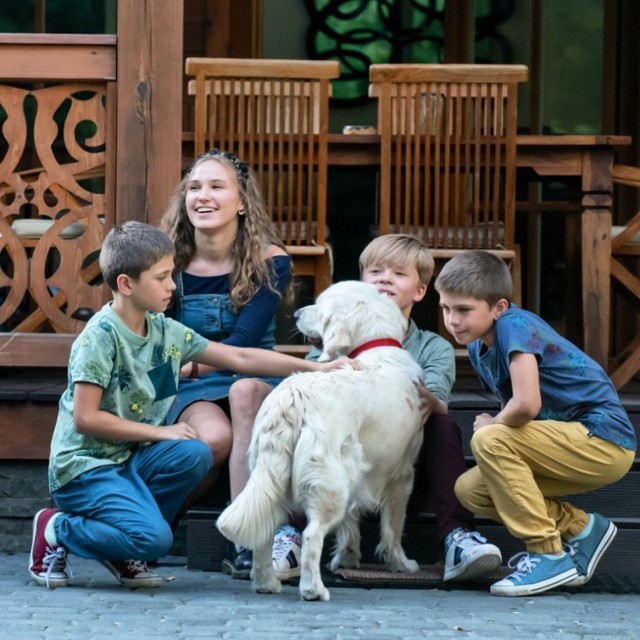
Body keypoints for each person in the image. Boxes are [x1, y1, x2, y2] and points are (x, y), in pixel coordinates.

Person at [28, 221, 350, 590]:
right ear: (126, 285)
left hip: (127, 461)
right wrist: (159, 431)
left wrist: (317, 367)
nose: (171, 286)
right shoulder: (99, 339)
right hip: (85, 467)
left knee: (194, 453)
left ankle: (123, 545)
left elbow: (242, 357)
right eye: (162, 277)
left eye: (172, 276)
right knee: (155, 541)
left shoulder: (164, 330)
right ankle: (57, 527)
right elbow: (85, 419)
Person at [271, 234, 502, 584]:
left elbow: (433, 401)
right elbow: (314, 395)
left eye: (398, 273)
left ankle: (458, 538)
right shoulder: (337, 335)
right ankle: (289, 535)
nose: (384, 279)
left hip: (398, 474)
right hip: (333, 470)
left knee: (443, 424)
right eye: (375, 271)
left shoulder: (432, 347)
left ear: (421, 291)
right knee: (309, 424)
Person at [434, 250, 636, 597]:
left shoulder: (514, 325)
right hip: (563, 443)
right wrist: (498, 423)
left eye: (463, 310)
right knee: (471, 489)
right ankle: (583, 529)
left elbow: (526, 405)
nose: (452, 320)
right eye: (446, 309)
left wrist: (491, 423)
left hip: (603, 440)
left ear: (498, 307)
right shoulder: (479, 347)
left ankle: (547, 553)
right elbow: (513, 406)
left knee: (490, 438)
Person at [160, 148, 293, 579]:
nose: (204, 196)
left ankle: (249, 539)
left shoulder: (269, 260)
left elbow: (244, 342)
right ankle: (155, 524)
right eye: (194, 187)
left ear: (241, 202)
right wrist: (182, 372)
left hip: (251, 373)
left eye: (217, 187)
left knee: (243, 390)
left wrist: (190, 366)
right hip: (192, 386)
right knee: (212, 439)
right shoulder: (167, 263)